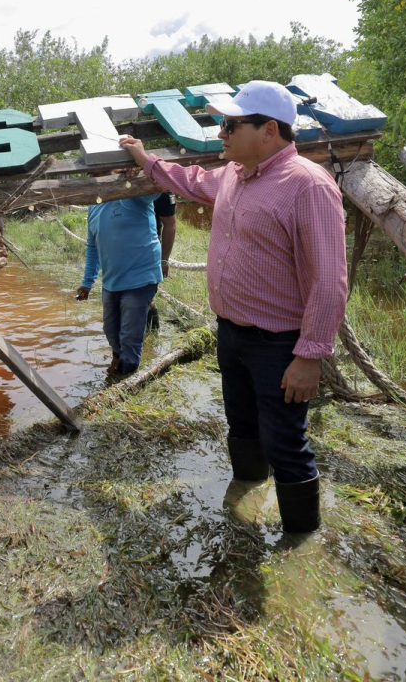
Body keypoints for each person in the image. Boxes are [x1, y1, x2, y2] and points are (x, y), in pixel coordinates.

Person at [119, 80, 348, 533]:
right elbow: (190, 180)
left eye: (231, 125)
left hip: (280, 344)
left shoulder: (308, 186)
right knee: (241, 425)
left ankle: (301, 540)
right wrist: (146, 159)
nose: (221, 134)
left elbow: (329, 280)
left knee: (285, 442)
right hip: (232, 334)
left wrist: (310, 356)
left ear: (269, 131)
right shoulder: (234, 175)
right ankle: (245, 497)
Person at [75, 196, 162, 377]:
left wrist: (138, 178)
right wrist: (87, 282)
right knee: (111, 331)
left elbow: (156, 190)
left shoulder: (136, 194)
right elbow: (93, 246)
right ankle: (118, 362)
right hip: (111, 281)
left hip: (141, 277)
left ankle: (126, 378)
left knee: (129, 337)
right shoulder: (94, 206)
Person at [146, 193, 177, 331]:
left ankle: (151, 338)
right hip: (121, 251)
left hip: (149, 251)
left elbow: (170, 224)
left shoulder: (162, 189)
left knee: (146, 299)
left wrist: (164, 260)